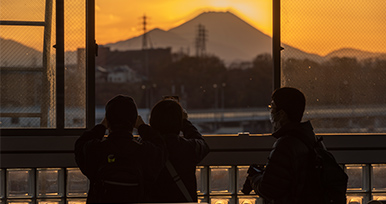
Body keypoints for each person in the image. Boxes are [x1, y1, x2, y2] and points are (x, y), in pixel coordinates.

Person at [74, 95, 166, 203]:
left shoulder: (96, 150)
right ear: (134, 121)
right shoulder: (144, 152)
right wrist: (143, 127)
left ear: (108, 121)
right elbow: (161, 147)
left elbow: (80, 144)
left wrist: (101, 127)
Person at [244, 87, 322, 204]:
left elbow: (268, 189)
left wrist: (254, 177)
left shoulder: (285, 145)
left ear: (282, 114)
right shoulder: (312, 139)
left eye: (272, 108)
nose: (270, 113)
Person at [147, 98, 210, 202]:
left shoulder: (148, 148)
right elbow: (202, 144)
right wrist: (185, 122)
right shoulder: (187, 147)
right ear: (179, 123)